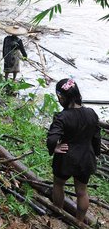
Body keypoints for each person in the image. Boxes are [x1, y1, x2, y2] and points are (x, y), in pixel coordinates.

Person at [46, 78, 101, 224]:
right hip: (85, 158)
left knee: (58, 184)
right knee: (82, 192)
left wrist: (54, 147)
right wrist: (95, 152)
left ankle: (58, 213)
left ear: (61, 97)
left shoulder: (62, 117)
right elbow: (96, 137)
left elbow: (52, 139)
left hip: (66, 158)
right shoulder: (91, 113)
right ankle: (79, 222)